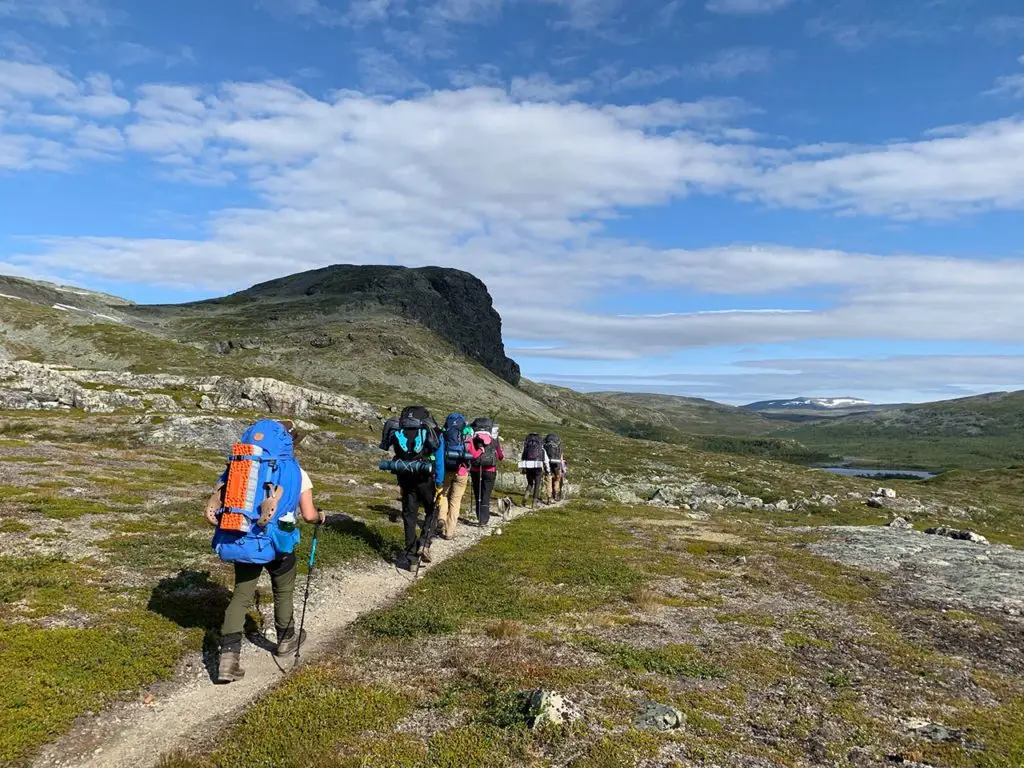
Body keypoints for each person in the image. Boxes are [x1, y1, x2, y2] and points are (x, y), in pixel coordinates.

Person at [204, 419, 324, 684]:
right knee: (283, 589)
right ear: (291, 442)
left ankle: (228, 659)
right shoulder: (297, 471)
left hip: (242, 537)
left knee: (242, 594)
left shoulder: (245, 465)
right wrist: (321, 518)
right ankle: (285, 639)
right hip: (278, 542)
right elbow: (308, 514)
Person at [385, 405, 444, 568]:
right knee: (432, 510)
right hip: (426, 479)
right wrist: (439, 483)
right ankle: (424, 544)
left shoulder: (399, 431)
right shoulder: (433, 432)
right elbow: (439, 460)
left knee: (409, 516)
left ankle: (410, 559)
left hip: (406, 479)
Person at [438, 413, 473, 540]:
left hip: (446, 470)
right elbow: (472, 453)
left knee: (443, 495)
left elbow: (439, 451)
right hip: (461, 471)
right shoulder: (466, 435)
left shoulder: (444, 433)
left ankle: (441, 517)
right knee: (455, 501)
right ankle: (449, 532)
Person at [467, 417, 504, 527]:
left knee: (477, 492)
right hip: (490, 470)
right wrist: (499, 457)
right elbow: (500, 455)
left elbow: (469, 452)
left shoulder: (473, 437)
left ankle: (479, 517)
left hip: (475, 469)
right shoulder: (493, 438)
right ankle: (484, 520)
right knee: (485, 495)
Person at [521, 432, 548, 506]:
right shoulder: (541, 449)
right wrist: (547, 470)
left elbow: (523, 457)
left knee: (530, 483)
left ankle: (525, 498)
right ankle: (534, 503)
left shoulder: (527, 447)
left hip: (528, 467)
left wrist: (524, 467)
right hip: (538, 467)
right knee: (537, 484)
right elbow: (546, 461)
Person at [544, 433, 566, 502]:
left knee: (548, 479)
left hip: (548, 463)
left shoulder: (545, 444)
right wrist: (563, 467)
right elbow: (561, 457)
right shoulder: (558, 445)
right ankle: (556, 495)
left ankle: (549, 498)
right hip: (557, 464)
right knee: (557, 479)